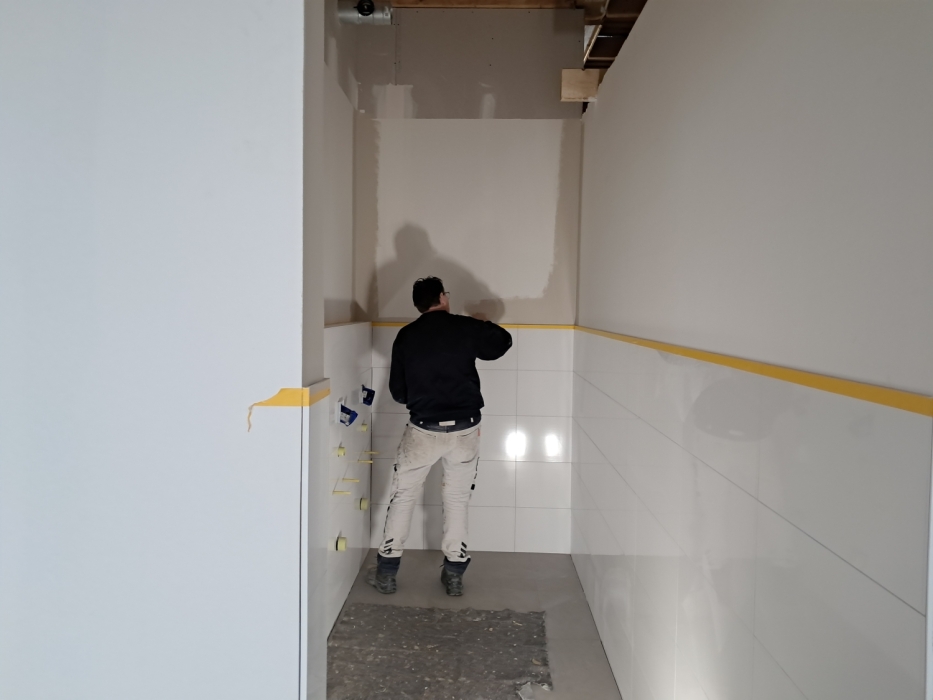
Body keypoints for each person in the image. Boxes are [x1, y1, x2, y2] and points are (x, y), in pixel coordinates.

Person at [368, 277, 512, 596]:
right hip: (465, 429)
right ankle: (455, 574)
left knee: (404, 496)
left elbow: (398, 392)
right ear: (443, 298)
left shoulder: (407, 336)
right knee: (457, 499)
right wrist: (482, 323)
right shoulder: (465, 327)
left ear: (419, 305)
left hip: (424, 429)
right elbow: (502, 344)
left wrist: (424, 400)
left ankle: (387, 573)